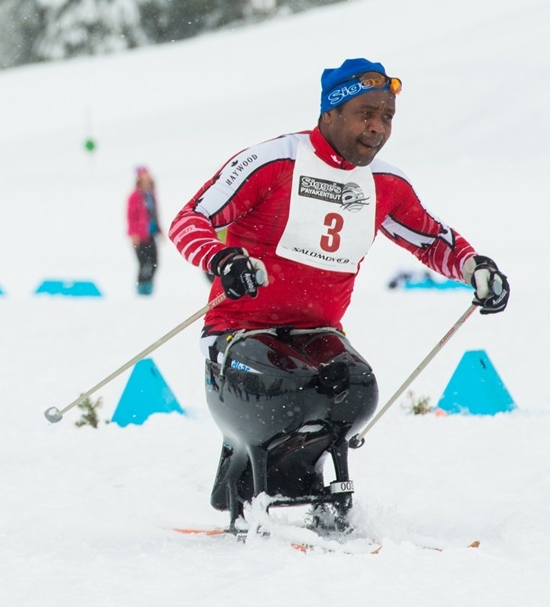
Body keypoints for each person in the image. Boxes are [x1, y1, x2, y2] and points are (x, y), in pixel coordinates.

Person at [169, 58, 509, 531]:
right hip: (240, 331)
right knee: (285, 389)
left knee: (356, 391)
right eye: (364, 114)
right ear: (329, 113)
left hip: (319, 332)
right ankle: (250, 487)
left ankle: (324, 496)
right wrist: (222, 260)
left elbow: (432, 239)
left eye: (386, 116)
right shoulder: (274, 161)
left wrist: (476, 268)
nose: (377, 128)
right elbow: (189, 220)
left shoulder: (384, 184)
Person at [125, 165, 160, 295]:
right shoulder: (135, 196)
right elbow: (131, 216)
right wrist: (134, 234)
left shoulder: (151, 194)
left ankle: (148, 289)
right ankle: (142, 290)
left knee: (154, 263)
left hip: (151, 234)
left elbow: (154, 214)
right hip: (140, 236)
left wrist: (159, 230)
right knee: (144, 264)